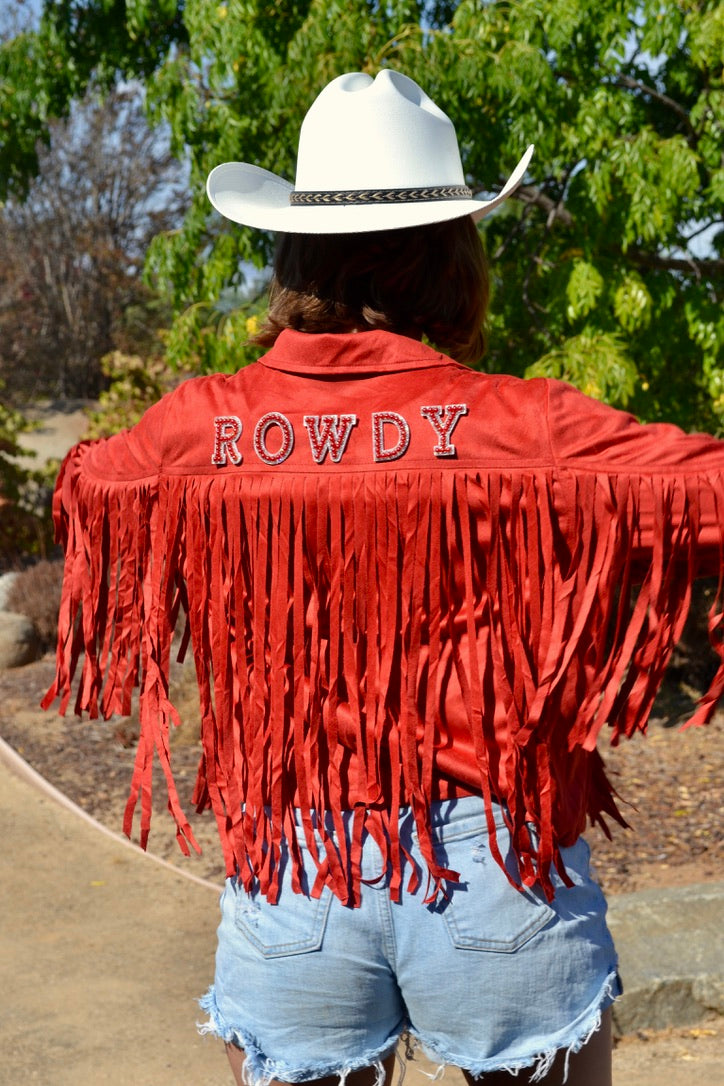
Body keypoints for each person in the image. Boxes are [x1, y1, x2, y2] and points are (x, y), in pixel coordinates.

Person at [44, 70, 724, 1086]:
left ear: (294, 249)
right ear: (451, 255)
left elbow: (92, 483)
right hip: (497, 859)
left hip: (295, 869)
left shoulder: (205, 423)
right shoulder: (521, 425)